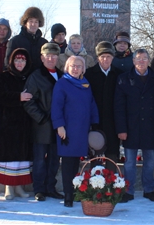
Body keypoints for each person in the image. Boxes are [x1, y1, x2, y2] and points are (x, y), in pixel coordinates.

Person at [51, 56, 99, 207]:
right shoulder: (62, 83)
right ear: (67, 67)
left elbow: (91, 104)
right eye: (73, 66)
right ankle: (68, 196)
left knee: (77, 163)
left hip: (82, 129)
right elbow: (56, 106)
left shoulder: (85, 84)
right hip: (67, 130)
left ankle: (76, 191)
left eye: (79, 66)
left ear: (83, 69)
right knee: (68, 163)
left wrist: (95, 122)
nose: (76, 68)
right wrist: (59, 126)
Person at [115, 49, 154, 203]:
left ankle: (149, 190)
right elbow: (119, 106)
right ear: (133, 61)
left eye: (144, 59)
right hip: (131, 126)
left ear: (149, 61)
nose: (141, 62)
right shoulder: (124, 79)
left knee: (149, 160)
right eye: (138, 59)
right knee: (129, 161)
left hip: (150, 125)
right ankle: (128, 191)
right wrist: (121, 129)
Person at [23, 43, 65, 202]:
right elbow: (29, 102)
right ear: (42, 57)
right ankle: (39, 189)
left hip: (58, 126)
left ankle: (50, 187)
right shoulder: (35, 76)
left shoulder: (61, 75)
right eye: (48, 56)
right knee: (40, 160)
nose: (51, 58)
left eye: (54, 55)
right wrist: (42, 118)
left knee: (54, 159)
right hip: (41, 126)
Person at [0, 48, 33, 200]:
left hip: (25, 123)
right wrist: (18, 97)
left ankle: (19, 187)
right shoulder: (3, 77)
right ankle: (9, 188)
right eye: (17, 60)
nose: (20, 63)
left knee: (22, 158)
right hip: (7, 124)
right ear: (11, 61)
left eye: (22, 60)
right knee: (10, 158)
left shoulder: (29, 77)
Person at [85, 41, 121, 165]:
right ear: (97, 58)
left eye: (109, 56)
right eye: (102, 56)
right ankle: (94, 184)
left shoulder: (119, 74)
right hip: (95, 124)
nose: (105, 59)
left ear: (113, 57)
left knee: (112, 159)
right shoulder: (89, 74)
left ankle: (112, 185)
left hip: (113, 124)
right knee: (96, 161)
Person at [5, 6, 47, 71]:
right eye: (31, 21)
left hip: (38, 79)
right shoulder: (15, 41)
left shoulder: (44, 43)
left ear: (39, 24)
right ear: (25, 23)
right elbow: (8, 64)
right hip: (19, 79)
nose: (33, 24)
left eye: (36, 22)